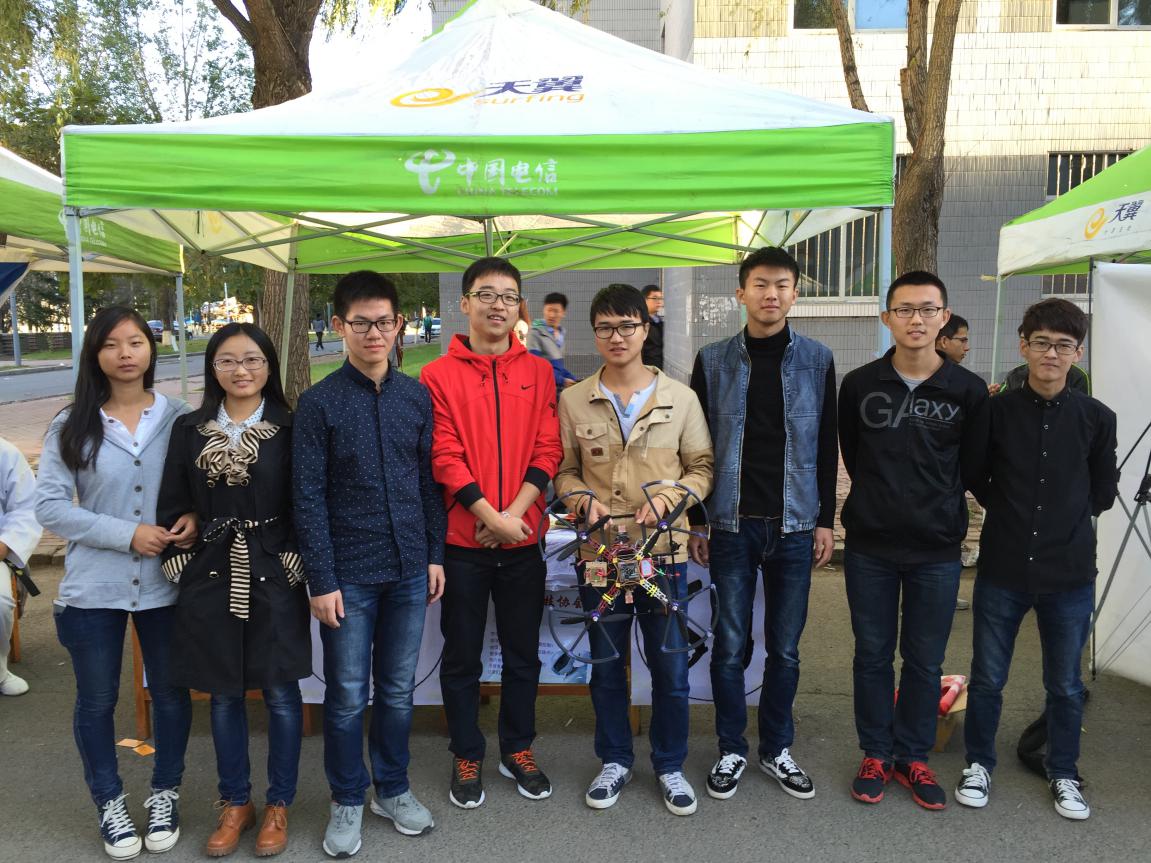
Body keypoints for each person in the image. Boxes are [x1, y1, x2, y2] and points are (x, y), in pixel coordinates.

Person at [293, 272, 446, 858]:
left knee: (399, 691)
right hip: (348, 575)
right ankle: (347, 798)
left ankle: (393, 788)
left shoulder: (415, 397)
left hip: (409, 567)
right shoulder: (319, 403)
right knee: (347, 695)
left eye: (384, 322)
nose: (374, 333)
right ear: (340, 326)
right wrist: (322, 579)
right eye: (361, 323)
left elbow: (427, 484)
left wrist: (434, 554)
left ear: (399, 324)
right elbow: (307, 496)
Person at [35, 306, 197, 860]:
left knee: (170, 693)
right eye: (111, 344)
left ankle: (165, 792)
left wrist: (193, 515)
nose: (125, 353)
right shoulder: (71, 424)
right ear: (94, 354)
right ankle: (109, 801)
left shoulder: (179, 417)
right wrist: (128, 534)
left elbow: (201, 486)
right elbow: (51, 507)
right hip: (94, 586)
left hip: (166, 584)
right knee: (97, 699)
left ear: (152, 349)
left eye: (135, 342)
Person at [954, 298, 1117, 821]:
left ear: (1078, 354)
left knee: (1065, 685)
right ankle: (978, 763)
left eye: (1063, 345)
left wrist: (1062, 515)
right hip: (1003, 567)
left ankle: (1063, 770)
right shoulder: (995, 411)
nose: (1051, 353)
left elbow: (1103, 491)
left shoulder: (1097, 418)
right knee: (987, 678)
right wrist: (1009, 508)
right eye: (1041, 342)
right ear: (1023, 346)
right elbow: (975, 473)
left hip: (1069, 572)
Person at [555, 283, 713, 816]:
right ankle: (615, 760)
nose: (616, 337)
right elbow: (564, 470)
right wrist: (581, 500)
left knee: (670, 666)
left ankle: (669, 764)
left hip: (662, 555)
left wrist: (672, 495)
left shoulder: (681, 398)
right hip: (600, 557)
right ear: (595, 334)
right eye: (605, 327)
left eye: (627, 326)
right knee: (606, 665)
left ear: (646, 329)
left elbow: (702, 468)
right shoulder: (574, 399)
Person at [688, 246, 837, 802]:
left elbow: (827, 444)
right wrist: (697, 521)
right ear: (741, 292)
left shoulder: (818, 360)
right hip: (730, 524)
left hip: (795, 525)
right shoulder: (712, 361)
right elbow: (696, 448)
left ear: (795, 293)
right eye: (759, 284)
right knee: (730, 645)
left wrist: (825, 520)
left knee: (785, 648)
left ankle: (776, 748)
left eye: (781, 285)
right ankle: (731, 747)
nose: (770, 294)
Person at [157, 323, 310, 858]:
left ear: (269, 366)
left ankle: (279, 803)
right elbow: (174, 500)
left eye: (252, 360)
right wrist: (181, 550)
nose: (240, 370)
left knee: (281, 693)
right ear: (212, 368)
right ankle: (236, 802)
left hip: (275, 568)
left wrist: (295, 559)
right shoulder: (190, 428)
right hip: (212, 570)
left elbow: (307, 500)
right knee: (223, 694)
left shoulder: (292, 425)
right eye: (227, 360)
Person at [838, 273, 989, 811]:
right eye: (904, 309)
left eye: (928, 309)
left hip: (936, 547)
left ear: (944, 317)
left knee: (925, 661)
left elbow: (972, 465)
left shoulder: (967, 390)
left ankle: (913, 755)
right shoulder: (860, 385)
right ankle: (876, 753)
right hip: (870, 545)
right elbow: (854, 455)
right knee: (872, 655)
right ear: (887, 318)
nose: (916, 320)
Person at [421, 256, 562, 810]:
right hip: (464, 545)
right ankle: (467, 752)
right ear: (465, 303)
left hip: (522, 541)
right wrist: (489, 517)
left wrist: (511, 519)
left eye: (508, 296)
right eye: (486, 294)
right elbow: (444, 456)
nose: (497, 305)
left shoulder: (539, 372)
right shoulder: (437, 375)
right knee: (462, 659)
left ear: (518, 306)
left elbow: (547, 449)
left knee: (523, 655)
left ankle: (518, 748)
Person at [935, 313, 978, 603]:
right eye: (962, 340)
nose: (967, 346)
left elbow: (975, 455)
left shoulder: (969, 387)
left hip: (947, 506)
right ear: (943, 341)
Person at [0, 435, 41, 697]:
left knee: (0, 602)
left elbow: (27, 508)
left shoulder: (4, 452)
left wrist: (5, 544)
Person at [527, 292, 578, 397]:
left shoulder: (561, 334)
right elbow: (535, 368)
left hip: (555, 391)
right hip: (541, 393)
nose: (551, 315)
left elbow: (558, 368)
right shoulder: (535, 333)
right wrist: (562, 381)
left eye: (556, 311)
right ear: (543, 310)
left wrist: (574, 379)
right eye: (549, 310)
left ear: (563, 313)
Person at [641, 284, 664, 370]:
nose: (659, 301)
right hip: (647, 369)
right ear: (645, 300)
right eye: (654, 298)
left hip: (659, 369)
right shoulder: (640, 323)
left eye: (660, 298)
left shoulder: (659, 321)